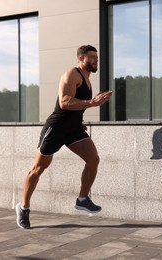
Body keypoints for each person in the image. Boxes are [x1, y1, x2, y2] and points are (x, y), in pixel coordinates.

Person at [16, 45, 113, 229]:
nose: (96, 60)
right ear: (81, 58)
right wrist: (93, 103)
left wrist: (79, 119)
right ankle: (24, 208)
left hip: (74, 128)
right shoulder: (72, 74)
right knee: (38, 168)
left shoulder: (88, 79)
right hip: (57, 127)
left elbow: (77, 105)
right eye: (92, 57)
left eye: (97, 57)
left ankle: (82, 199)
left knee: (93, 159)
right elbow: (65, 101)